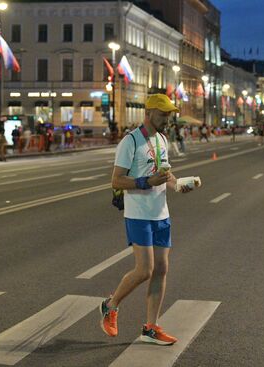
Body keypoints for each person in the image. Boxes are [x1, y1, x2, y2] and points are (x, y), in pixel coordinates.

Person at [100, 94, 195, 346]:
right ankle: (110, 305)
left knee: (161, 270)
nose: (167, 118)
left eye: (169, 114)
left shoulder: (162, 139)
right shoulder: (130, 141)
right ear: (149, 112)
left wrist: (177, 185)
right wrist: (145, 182)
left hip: (160, 213)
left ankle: (150, 328)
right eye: (163, 114)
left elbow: (165, 172)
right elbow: (116, 180)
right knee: (145, 270)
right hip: (138, 213)